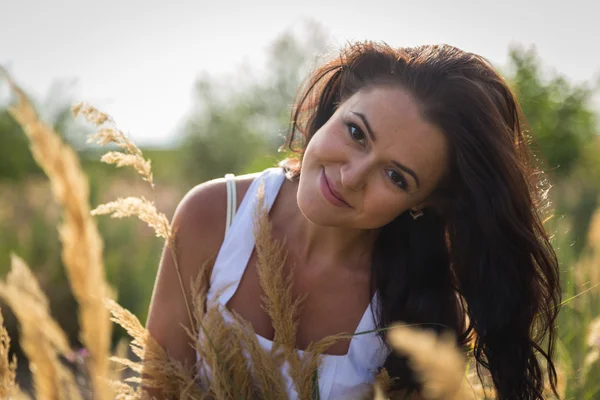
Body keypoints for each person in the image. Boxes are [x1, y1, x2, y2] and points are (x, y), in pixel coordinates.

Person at [145, 41, 561, 399]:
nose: (350, 177)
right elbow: (158, 390)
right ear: (338, 101)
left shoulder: (420, 307)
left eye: (396, 177)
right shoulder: (215, 214)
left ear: (426, 202)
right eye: (357, 132)